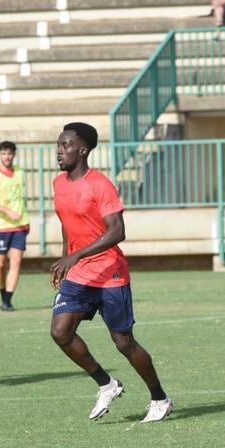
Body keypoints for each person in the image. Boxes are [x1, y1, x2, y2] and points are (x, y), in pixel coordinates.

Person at [50, 122, 172, 422]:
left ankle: (160, 398)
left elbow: (117, 231)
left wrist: (74, 255)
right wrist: (67, 259)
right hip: (79, 274)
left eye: (66, 145)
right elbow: (68, 224)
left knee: (123, 343)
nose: (59, 151)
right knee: (60, 332)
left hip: (109, 274)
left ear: (83, 150)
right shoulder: (58, 184)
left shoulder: (100, 184)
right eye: (58, 145)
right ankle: (107, 384)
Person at [0, 141, 29, 312]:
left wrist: (25, 218)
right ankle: (2, 293)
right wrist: (8, 212)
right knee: (1, 264)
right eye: (3, 153)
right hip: (1, 226)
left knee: (16, 262)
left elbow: (21, 198)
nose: (7, 156)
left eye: (9, 153)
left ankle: (8, 300)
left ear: (14, 154)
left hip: (20, 225)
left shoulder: (20, 172)